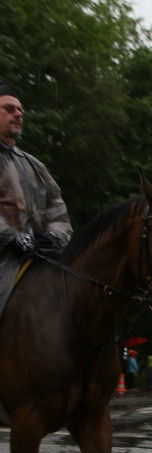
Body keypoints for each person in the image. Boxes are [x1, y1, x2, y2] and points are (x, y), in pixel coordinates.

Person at [0, 80, 72, 308]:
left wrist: (52, 236)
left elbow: (58, 210)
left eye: (20, 110)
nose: (18, 114)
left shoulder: (35, 166)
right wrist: (12, 237)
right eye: (9, 109)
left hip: (39, 259)